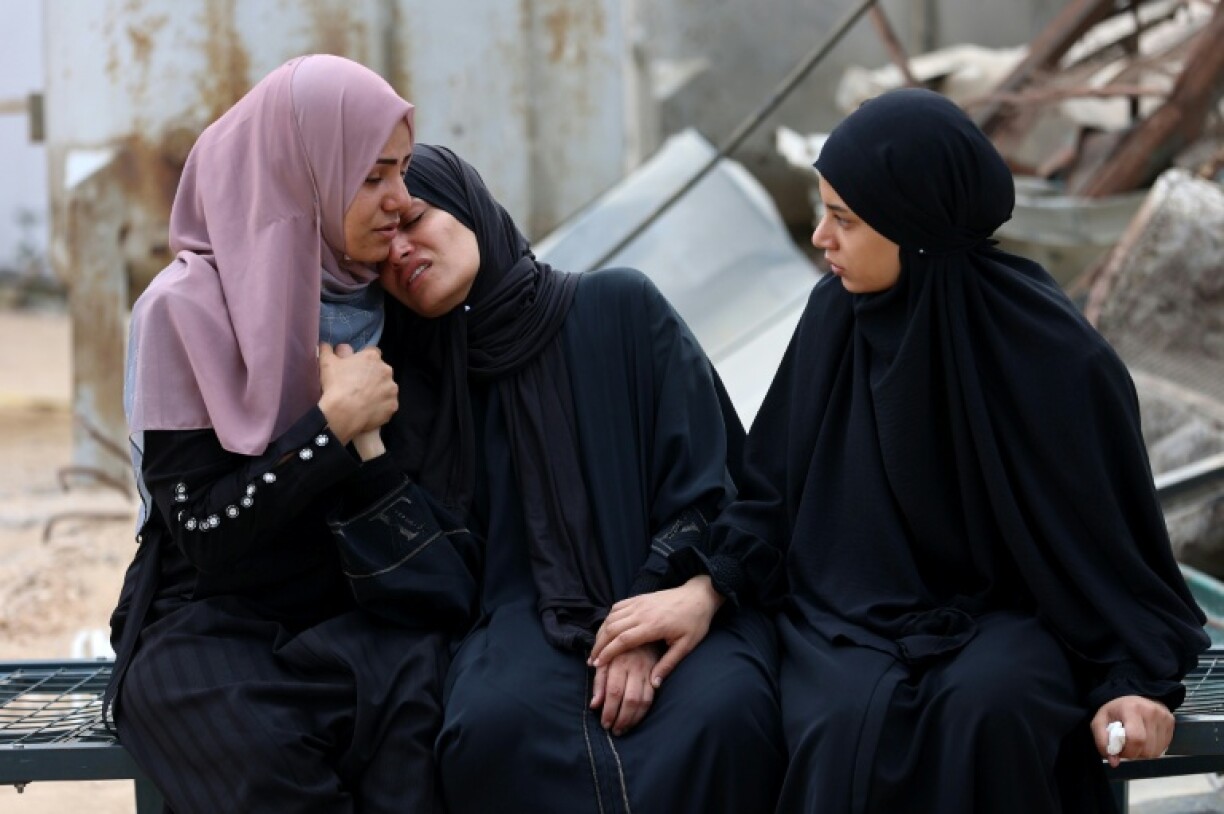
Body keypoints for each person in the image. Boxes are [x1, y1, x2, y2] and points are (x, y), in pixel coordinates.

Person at [589, 87, 1210, 813]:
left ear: (913, 229)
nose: (820, 238)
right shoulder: (833, 320)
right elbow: (773, 496)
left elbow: (1111, 559)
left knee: (995, 708)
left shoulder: (1057, 361)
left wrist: (1129, 684)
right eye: (823, 211)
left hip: (1014, 618)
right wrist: (705, 588)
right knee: (842, 724)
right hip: (848, 616)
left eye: (843, 219)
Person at [108, 55, 479, 814]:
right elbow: (204, 532)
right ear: (299, 172)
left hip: (360, 610)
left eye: (403, 172)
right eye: (373, 176)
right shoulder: (183, 311)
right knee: (244, 745)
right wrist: (330, 430)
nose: (400, 201)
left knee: (434, 719)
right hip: (211, 622)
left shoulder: (395, 303)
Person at [374, 143, 785, 814]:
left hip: (679, 588)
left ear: (468, 207)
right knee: (492, 728)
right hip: (516, 622)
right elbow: (437, 570)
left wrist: (646, 612)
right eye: (379, 250)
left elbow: (713, 485)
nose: (399, 253)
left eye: (415, 220)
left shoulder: (618, 308)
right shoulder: (419, 386)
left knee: (725, 713)